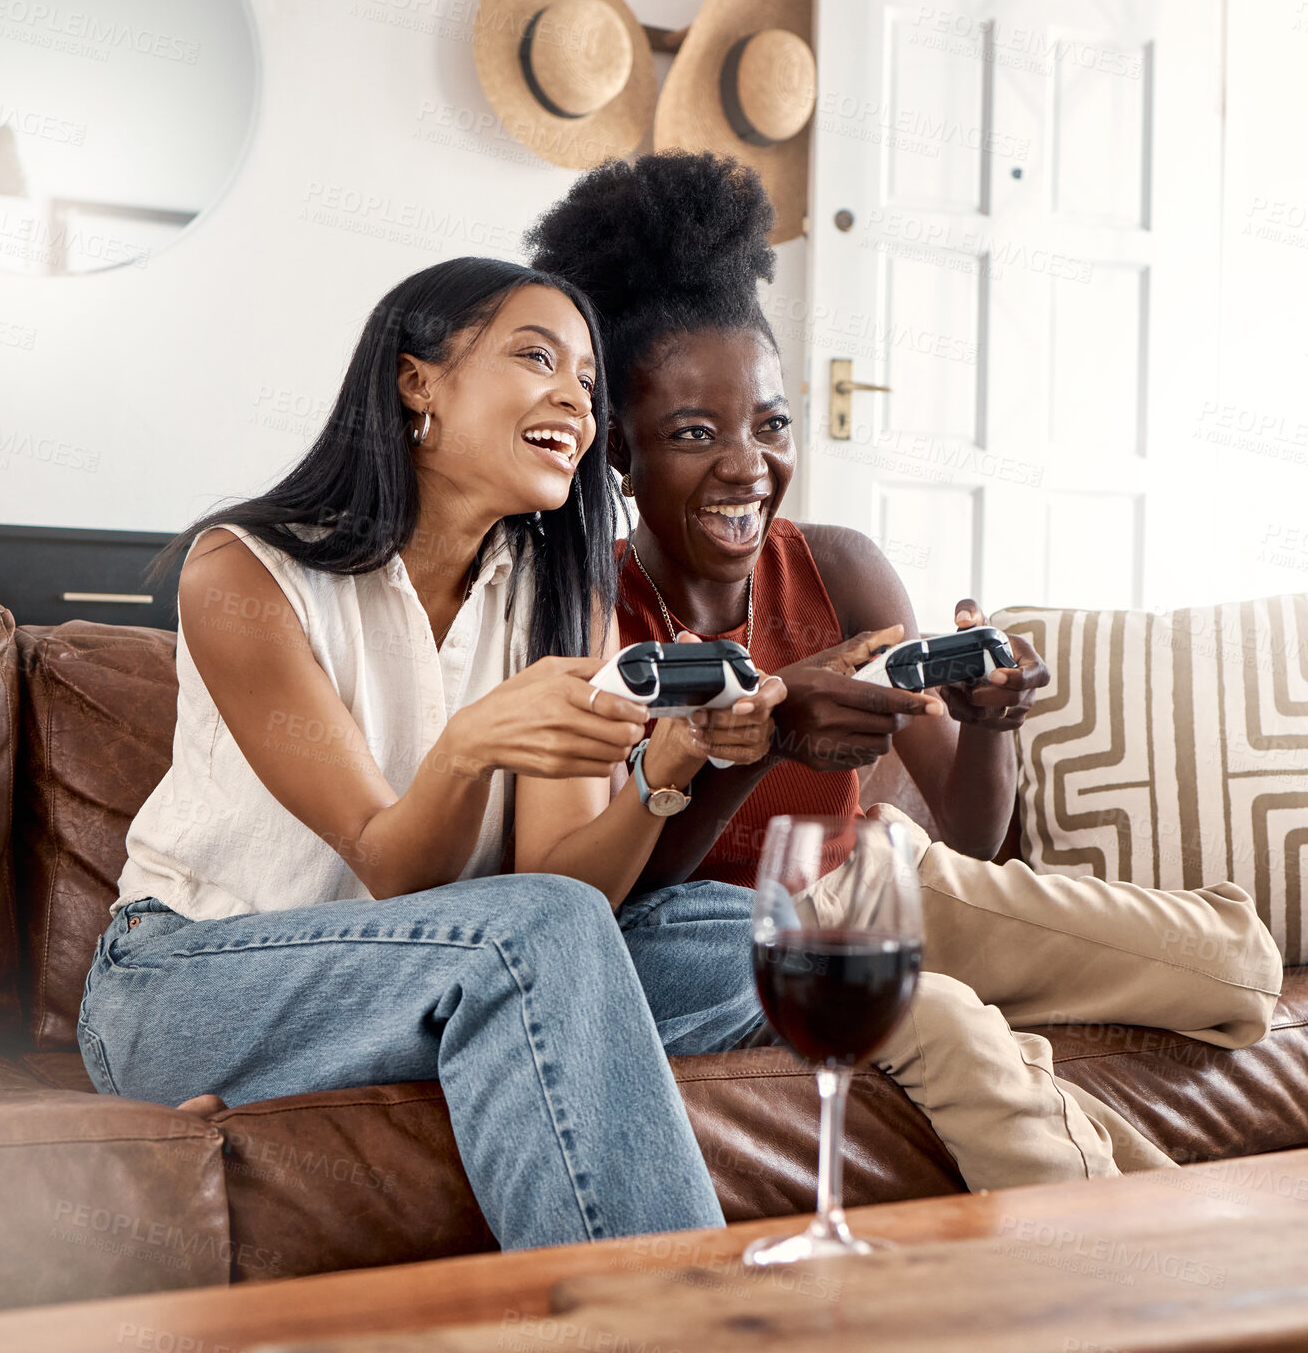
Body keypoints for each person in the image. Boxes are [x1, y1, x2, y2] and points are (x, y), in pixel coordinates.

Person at [527, 153, 1285, 1187]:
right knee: (958, 1029)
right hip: (728, 939)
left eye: (772, 423)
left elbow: (973, 832)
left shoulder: (839, 569)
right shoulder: (591, 615)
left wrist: (989, 724)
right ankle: (1151, 1255)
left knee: (1240, 968)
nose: (748, 465)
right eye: (694, 434)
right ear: (621, 449)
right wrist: (763, 740)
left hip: (885, 879)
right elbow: (625, 893)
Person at [76, 257, 788, 1252]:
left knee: (759, 939)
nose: (573, 402)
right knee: (532, 945)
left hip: (449, 965)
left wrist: (666, 770)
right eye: (534, 356)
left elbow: (561, 881)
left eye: (586, 381)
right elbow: (391, 863)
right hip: (190, 981)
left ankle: (475, 1044)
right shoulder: (244, 570)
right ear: (420, 383)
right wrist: (468, 748)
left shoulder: (560, 594)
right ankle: (674, 1317)